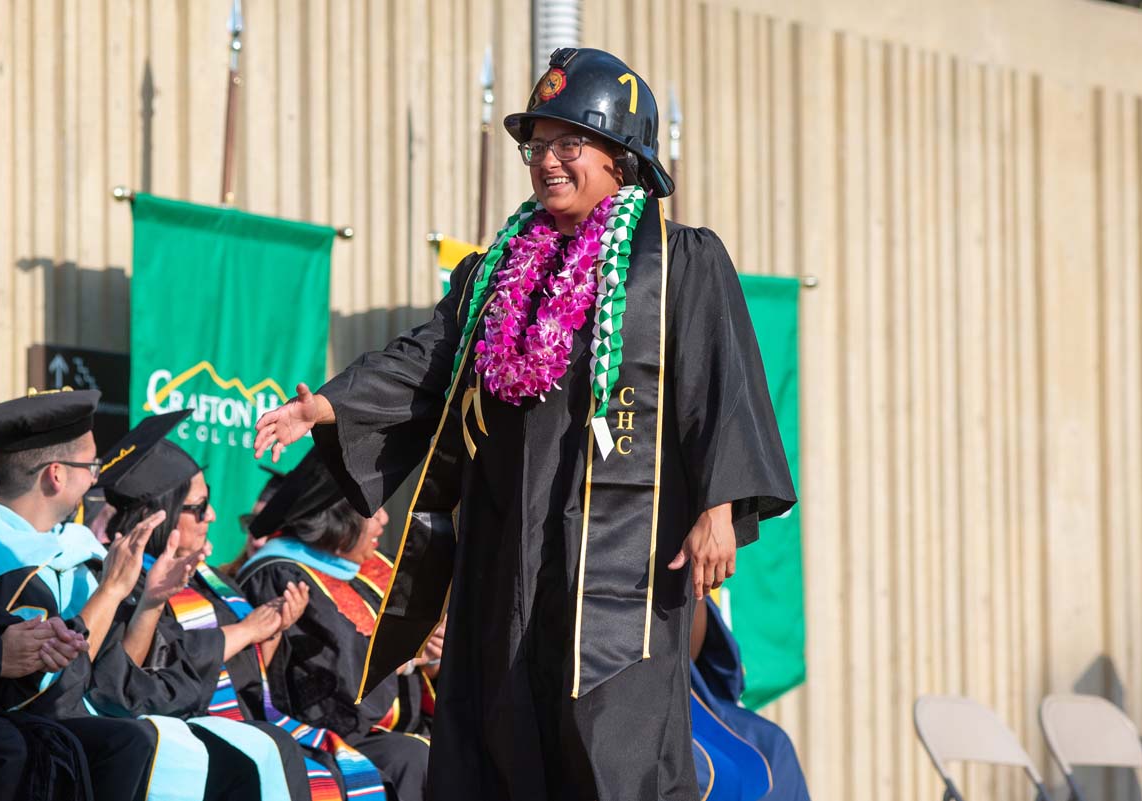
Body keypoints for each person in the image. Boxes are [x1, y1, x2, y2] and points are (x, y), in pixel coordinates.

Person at [254, 47, 796, 800]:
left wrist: (719, 506)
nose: (548, 161)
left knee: (612, 748)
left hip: (620, 569)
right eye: (537, 145)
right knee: (501, 739)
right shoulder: (496, 273)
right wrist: (329, 403)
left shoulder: (676, 264)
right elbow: (431, 359)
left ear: (621, 156)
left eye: (570, 142)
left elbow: (722, 383)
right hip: (506, 551)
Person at [92, 410, 387, 801]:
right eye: (199, 507)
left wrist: (272, 629)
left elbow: (248, 677)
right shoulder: (116, 580)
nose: (211, 515)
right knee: (277, 749)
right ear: (158, 515)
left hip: (241, 722)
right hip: (176, 732)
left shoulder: (209, 580)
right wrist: (242, 629)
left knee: (367, 761)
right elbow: (131, 683)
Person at [0, 386, 165, 799]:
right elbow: (53, 699)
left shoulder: (74, 548)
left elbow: (114, 675)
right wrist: (108, 593)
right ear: (56, 474)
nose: (96, 476)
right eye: (92, 465)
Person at [240, 449, 434, 801]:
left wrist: (433, 657)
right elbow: (326, 681)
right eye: (373, 511)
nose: (385, 520)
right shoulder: (283, 576)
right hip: (323, 738)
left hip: (391, 729)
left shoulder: (369, 569)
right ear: (338, 517)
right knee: (412, 756)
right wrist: (403, 660)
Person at [689, 598, 811, 801]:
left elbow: (687, 647)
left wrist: (695, 579)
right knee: (718, 776)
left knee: (771, 748)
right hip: (629, 689)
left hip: (677, 685)